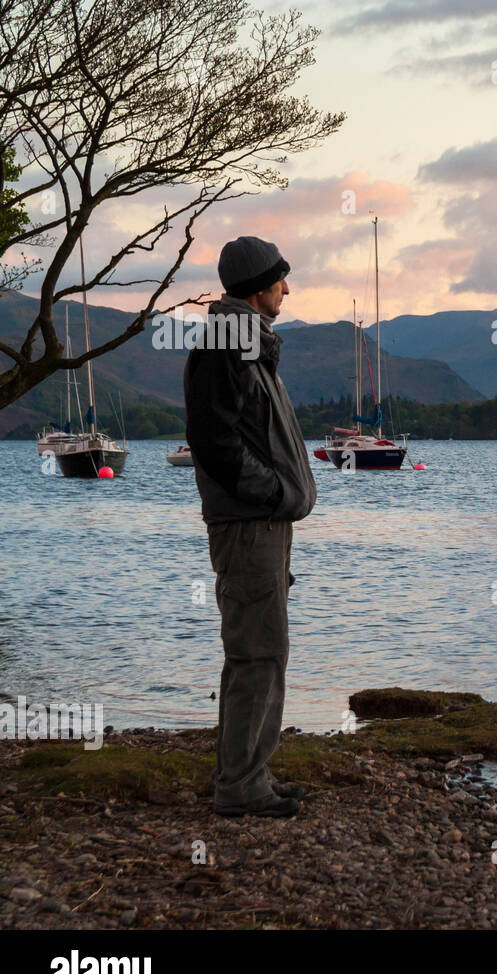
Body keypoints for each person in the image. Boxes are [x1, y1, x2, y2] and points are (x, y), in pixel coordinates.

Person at [184, 236, 317, 818]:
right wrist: (273, 493)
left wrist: (279, 499)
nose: (287, 289)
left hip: (261, 524)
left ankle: (248, 775)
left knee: (261, 652)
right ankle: (240, 788)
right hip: (249, 524)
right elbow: (213, 441)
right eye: (282, 279)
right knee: (257, 653)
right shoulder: (227, 344)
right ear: (261, 286)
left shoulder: (243, 341)